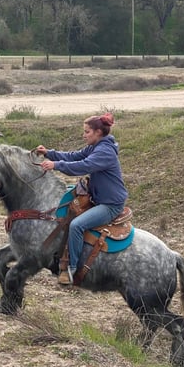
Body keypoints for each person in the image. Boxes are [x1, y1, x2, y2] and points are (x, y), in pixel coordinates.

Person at [36, 112, 128, 285]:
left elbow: (83, 166)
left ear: (98, 132)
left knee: (77, 225)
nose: (83, 135)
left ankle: (72, 268)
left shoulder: (105, 151)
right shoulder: (96, 146)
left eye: (87, 132)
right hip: (98, 198)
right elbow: (74, 156)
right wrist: (50, 153)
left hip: (110, 204)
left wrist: (55, 165)